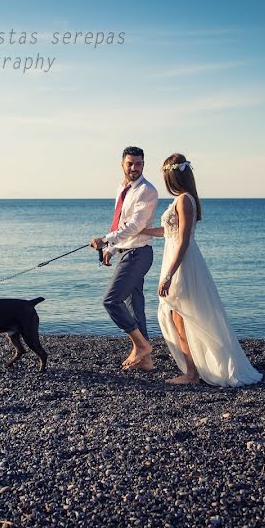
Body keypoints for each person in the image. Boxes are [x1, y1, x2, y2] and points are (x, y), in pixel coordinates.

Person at [145, 153, 263, 386]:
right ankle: (193, 369)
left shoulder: (184, 200)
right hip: (177, 259)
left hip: (183, 264)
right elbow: (170, 233)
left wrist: (169, 275)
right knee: (179, 316)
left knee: (183, 315)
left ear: (172, 176)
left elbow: (184, 240)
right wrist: (143, 231)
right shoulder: (184, 199)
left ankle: (191, 374)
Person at [90, 146, 159, 372]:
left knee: (111, 300)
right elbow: (122, 223)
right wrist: (111, 247)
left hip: (139, 254)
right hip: (128, 251)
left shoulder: (147, 191)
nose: (134, 168)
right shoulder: (123, 188)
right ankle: (146, 361)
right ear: (122, 164)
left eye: (138, 164)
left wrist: (105, 240)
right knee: (134, 305)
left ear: (143, 165)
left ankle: (141, 346)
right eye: (130, 163)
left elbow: (135, 226)